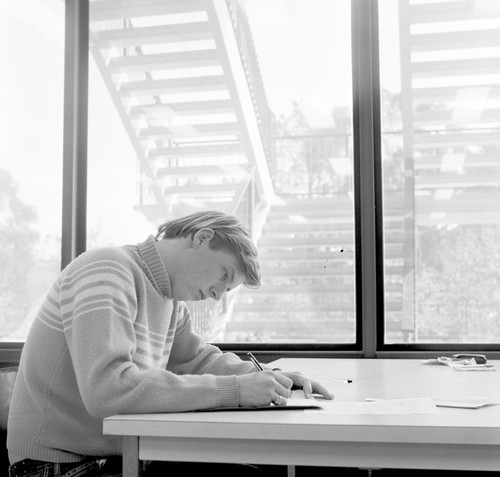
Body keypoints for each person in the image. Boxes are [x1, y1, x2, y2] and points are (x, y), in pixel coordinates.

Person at [7, 210, 333, 477]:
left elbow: (198, 359)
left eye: (228, 290)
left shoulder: (169, 300)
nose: (218, 295)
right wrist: (236, 390)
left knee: (254, 470)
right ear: (202, 238)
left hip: (115, 454)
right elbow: (107, 389)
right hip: (56, 466)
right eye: (223, 275)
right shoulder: (107, 269)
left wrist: (272, 380)